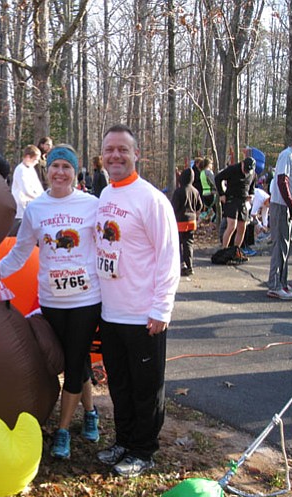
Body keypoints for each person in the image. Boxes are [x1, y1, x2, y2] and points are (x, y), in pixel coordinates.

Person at [0, 144, 101, 460]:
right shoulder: (36, 209)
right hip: (52, 300)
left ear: (75, 172)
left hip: (86, 298)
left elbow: (109, 247)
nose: (60, 172)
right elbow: (20, 253)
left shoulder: (92, 205)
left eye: (66, 167)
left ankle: (62, 431)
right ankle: (91, 413)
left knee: (73, 362)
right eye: (55, 166)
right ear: (48, 169)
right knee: (76, 358)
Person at [94, 124, 180, 478]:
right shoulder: (105, 196)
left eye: (123, 149)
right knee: (120, 385)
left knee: (146, 389)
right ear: (102, 157)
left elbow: (168, 256)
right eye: (109, 150)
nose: (115, 155)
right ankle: (124, 440)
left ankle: (143, 450)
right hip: (111, 312)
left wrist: (162, 308)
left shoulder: (151, 199)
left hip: (143, 315)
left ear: (136, 155)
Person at [266, 130, 292, 300]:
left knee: (289, 244)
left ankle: (283, 282)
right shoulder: (287, 155)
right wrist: (291, 205)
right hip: (281, 205)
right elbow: (282, 181)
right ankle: (274, 285)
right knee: (280, 245)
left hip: (290, 207)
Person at [214, 157, 256, 259]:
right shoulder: (233, 169)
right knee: (232, 225)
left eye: (248, 170)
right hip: (231, 199)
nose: (246, 172)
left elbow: (252, 188)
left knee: (242, 227)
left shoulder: (252, 173)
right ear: (242, 163)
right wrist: (221, 194)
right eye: (245, 169)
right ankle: (224, 249)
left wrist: (251, 195)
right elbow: (218, 178)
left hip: (243, 201)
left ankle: (236, 250)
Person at [171, 167, 203, 276]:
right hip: (191, 221)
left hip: (180, 222)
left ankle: (181, 265)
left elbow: (174, 207)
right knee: (188, 244)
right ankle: (190, 266)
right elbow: (200, 206)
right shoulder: (195, 191)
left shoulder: (179, 191)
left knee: (178, 244)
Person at [10, 144, 43, 227]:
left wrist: (43, 196)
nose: (37, 162)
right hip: (21, 207)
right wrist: (39, 198)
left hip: (31, 205)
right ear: (28, 157)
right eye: (35, 159)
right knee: (18, 228)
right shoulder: (21, 169)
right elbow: (26, 190)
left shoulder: (31, 169)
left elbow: (37, 185)